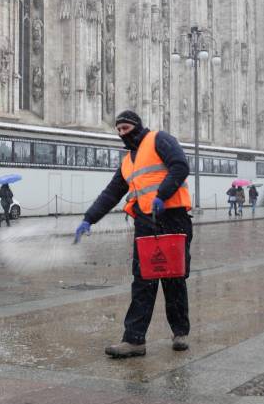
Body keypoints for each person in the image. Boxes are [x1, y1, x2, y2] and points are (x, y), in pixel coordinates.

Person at [75, 110, 193, 358]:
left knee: (174, 279)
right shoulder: (128, 161)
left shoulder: (160, 139)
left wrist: (162, 195)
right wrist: (89, 218)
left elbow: (180, 166)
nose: (122, 134)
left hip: (172, 218)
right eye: (118, 130)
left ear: (136, 126)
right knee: (143, 281)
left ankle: (180, 332)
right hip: (145, 223)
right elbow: (111, 193)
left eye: (125, 129)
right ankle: (134, 340)